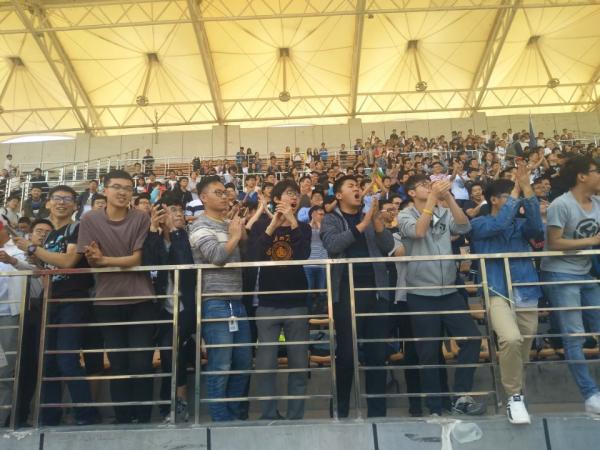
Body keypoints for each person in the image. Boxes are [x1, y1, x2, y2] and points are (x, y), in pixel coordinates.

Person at [398, 174, 484, 416]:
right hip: (421, 293)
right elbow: (418, 232)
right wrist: (433, 199)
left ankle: (461, 395)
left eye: (430, 184)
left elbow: (464, 227)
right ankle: (435, 406)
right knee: (428, 353)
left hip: (449, 290)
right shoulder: (404, 215)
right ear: (411, 193)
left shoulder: (444, 212)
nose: (430, 187)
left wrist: (448, 198)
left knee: (472, 338)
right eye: (424, 185)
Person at [14, 185, 99, 426]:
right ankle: (50, 418)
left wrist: (33, 248)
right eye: (57, 198)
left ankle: (86, 415)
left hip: (73, 300)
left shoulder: (78, 228)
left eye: (68, 199)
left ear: (75, 205)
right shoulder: (50, 235)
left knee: (66, 358)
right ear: (48, 203)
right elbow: (47, 269)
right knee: (48, 362)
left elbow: (69, 261)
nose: (62, 202)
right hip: (50, 301)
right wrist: (33, 257)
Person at [76, 170, 156, 424]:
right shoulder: (89, 219)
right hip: (106, 301)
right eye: (117, 187)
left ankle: (143, 418)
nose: (122, 192)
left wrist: (105, 260)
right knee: (118, 364)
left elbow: (137, 259)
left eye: (128, 188)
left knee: (141, 362)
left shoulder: (141, 217)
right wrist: (96, 259)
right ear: (105, 189)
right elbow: (91, 259)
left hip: (141, 299)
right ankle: (123, 418)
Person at [470, 165, 544, 424]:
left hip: (526, 287)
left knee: (524, 343)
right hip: (496, 289)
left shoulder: (520, 224)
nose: (515, 200)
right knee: (511, 339)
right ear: (493, 199)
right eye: (509, 196)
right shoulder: (479, 223)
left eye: (516, 196)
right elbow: (499, 224)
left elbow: (537, 229)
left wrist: (527, 190)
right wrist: (517, 191)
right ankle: (514, 396)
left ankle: (516, 392)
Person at [320, 175, 394, 418]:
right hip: (345, 293)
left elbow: (388, 246)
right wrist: (363, 224)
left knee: (377, 353)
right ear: (339, 195)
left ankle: (377, 413)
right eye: (350, 186)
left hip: (376, 291)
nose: (357, 190)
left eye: (358, 186)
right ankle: (340, 412)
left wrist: (377, 222)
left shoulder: (370, 216)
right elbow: (333, 245)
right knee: (347, 355)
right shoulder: (331, 219)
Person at [540, 155, 600, 414]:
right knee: (574, 336)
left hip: (585, 273)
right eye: (596, 170)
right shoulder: (561, 205)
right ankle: (590, 395)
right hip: (560, 274)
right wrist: (592, 241)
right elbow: (554, 243)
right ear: (582, 176)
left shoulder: (597, 203)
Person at [189, 175, 252, 421]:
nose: (224, 196)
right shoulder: (199, 226)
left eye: (225, 192)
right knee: (221, 364)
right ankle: (220, 419)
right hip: (214, 301)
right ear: (203, 198)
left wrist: (240, 235)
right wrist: (234, 236)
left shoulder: (228, 223)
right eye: (218, 192)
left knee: (243, 362)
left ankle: (233, 415)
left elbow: (242, 253)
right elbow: (216, 256)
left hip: (236, 300)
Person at [249, 179, 311, 420]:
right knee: (265, 365)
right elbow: (254, 256)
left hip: (297, 303)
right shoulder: (261, 226)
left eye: (296, 193)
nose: (294, 197)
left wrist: (293, 223)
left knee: (299, 364)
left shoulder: (303, 227)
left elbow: (303, 254)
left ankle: (295, 416)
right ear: (276, 199)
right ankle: (268, 415)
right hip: (267, 303)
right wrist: (272, 226)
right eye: (288, 193)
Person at [143, 194, 195, 422]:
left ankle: (176, 405)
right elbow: (148, 264)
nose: (179, 214)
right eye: (172, 210)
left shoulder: (185, 236)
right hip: (162, 309)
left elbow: (185, 263)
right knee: (169, 352)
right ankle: (173, 405)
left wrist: (174, 231)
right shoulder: (153, 238)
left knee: (173, 351)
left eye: (180, 210)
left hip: (186, 308)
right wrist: (153, 230)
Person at [0, 222, 26, 427]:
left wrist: (11, 260)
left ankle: (1, 418)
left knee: (5, 370)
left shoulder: (18, 249)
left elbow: (32, 270)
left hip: (8, 314)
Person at [304, 205, 327, 313]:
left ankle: (321, 315)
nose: (322, 216)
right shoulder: (305, 227)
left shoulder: (326, 227)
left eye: (323, 214)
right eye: (320, 214)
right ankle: (308, 314)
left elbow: (326, 238)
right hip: (308, 264)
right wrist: (312, 223)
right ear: (313, 214)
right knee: (308, 291)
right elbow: (304, 237)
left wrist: (319, 224)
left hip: (322, 264)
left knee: (322, 292)